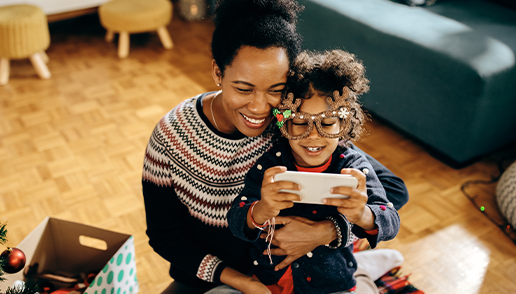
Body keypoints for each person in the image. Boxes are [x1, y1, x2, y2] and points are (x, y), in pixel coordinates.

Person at [141, 1, 408, 293]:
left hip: (306, 268)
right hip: (215, 276)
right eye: (243, 88)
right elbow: (165, 237)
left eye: (276, 90)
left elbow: (393, 191)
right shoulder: (172, 135)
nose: (259, 108)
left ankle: (360, 271)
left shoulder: (295, 125)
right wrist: (240, 281)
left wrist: (324, 234)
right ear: (218, 73)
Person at [227, 49, 400, 294]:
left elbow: (391, 221)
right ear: (284, 122)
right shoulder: (271, 163)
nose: (313, 135)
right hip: (269, 280)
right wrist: (262, 209)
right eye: (300, 122)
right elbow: (236, 220)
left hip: (331, 282)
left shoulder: (353, 166)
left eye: (327, 123)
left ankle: (365, 272)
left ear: (344, 123)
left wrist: (363, 215)